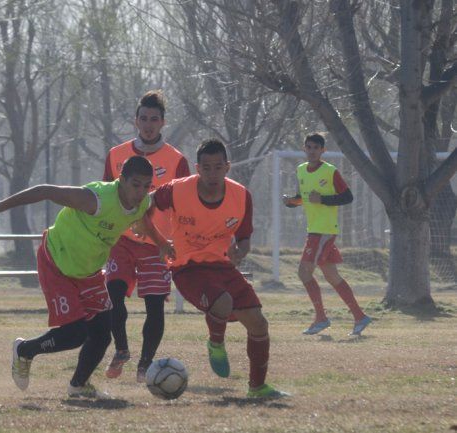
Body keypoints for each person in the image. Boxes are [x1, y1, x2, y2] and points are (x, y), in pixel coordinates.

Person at [0, 156, 170, 399]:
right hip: (57, 262)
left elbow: (142, 218)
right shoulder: (95, 199)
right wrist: (0, 206)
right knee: (75, 333)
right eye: (136, 184)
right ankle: (24, 350)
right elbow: (46, 191)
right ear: (121, 180)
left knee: (102, 335)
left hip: (89, 272)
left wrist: (161, 244)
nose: (141, 192)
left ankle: (78, 386)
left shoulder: (142, 202)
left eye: (147, 186)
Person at [152, 138, 288, 398]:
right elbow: (147, 202)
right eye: (206, 167)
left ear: (227, 167)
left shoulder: (241, 195)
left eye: (217, 167)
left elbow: (245, 236)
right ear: (197, 168)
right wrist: (157, 239)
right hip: (187, 268)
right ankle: (216, 343)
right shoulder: (177, 189)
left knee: (258, 323)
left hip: (223, 267)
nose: (212, 173)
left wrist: (242, 250)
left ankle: (257, 388)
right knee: (223, 302)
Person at [102, 90, 190, 381]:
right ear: (135, 121)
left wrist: (178, 242)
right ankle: (122, 350)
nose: (148, 124)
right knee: (113, 295)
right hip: (122, 241)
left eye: (154, 119)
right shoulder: (116, 154)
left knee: (154, 305)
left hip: (157, 244)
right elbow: (104, 197)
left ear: (163, 122)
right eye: (143, 118)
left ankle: (145, 365)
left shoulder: (177, 160)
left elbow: (184, 203)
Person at [283, 133, 371, 336]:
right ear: (304, 148)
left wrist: (323, 199)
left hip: (324, 231)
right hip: (314, 229)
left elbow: (347, 197)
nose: (312, 151)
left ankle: (321, 318)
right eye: (309, 147)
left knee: (304, 273)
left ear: (323, 150)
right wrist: (291, 202)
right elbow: (303, 198)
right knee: (332, 276)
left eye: (316, 147)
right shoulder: (301, 170)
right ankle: (360, 316)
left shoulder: (330, 171)